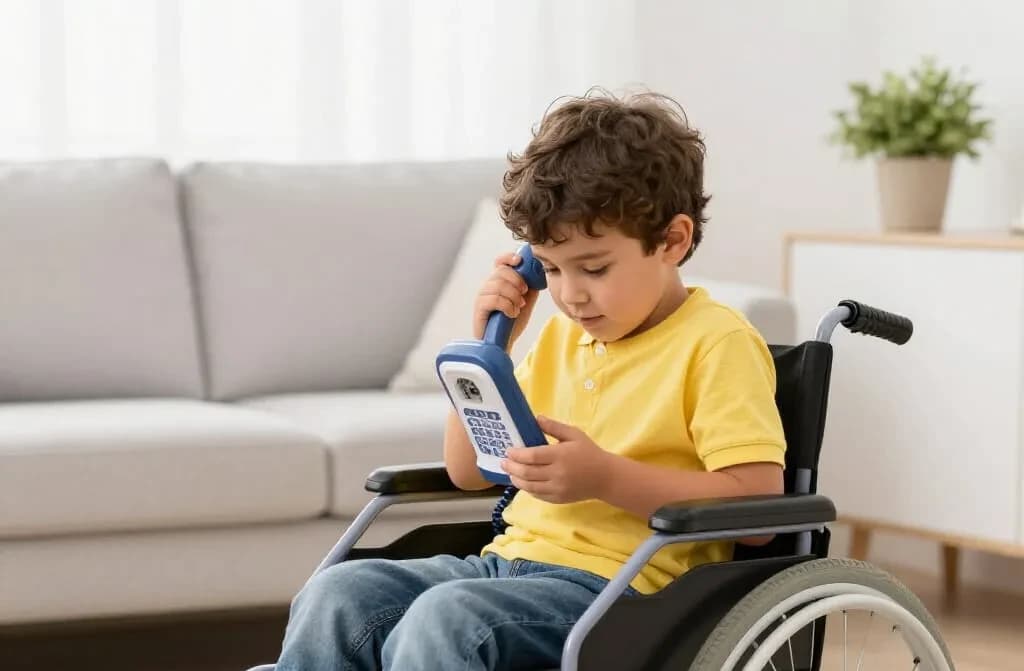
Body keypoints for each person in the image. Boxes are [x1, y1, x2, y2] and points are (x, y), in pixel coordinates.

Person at [273, 89, 786, 671]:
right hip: (505, 567)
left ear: (672, 241)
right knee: (339, 594)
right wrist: (493, 346)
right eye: (551, 269)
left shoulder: (717, 343)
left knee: (451, 619)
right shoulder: (558, 339)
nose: (569, 294)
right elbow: (470, 472)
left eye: (594, 268)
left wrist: (605, 477)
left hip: (627, 593)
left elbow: (760, 506)